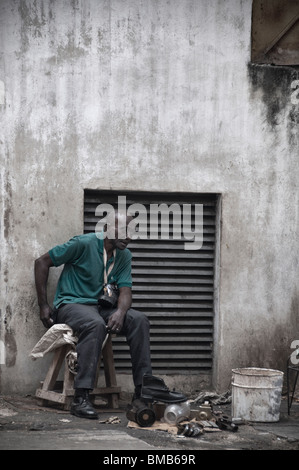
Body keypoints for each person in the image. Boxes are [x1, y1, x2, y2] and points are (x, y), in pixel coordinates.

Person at [34, 212, 152, 419]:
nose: (129, 237)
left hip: (101, 307)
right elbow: (41, 262)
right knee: (94, 323)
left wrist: (120, 312)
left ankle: (143, 393)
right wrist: (43, 305)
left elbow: (125, 291)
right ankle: (81, 398)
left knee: (139, 320)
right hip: (72, 304)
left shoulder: (124, 255)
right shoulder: (83, 243)